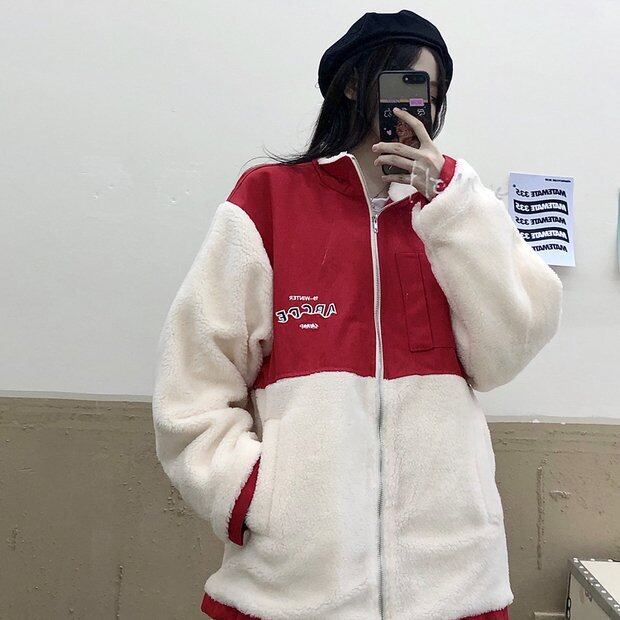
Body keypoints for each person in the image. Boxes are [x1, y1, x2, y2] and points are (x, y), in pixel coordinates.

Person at [151, 9, 563, 620]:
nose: (418, 102)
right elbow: (193, 382)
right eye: (406, 81)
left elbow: (509, 350)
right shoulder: (269, 201)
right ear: (352, 83)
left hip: (453, 584)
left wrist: (451, 202)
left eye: (432, 90)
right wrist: (255, 497)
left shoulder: (458, 211)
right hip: (292, 587)